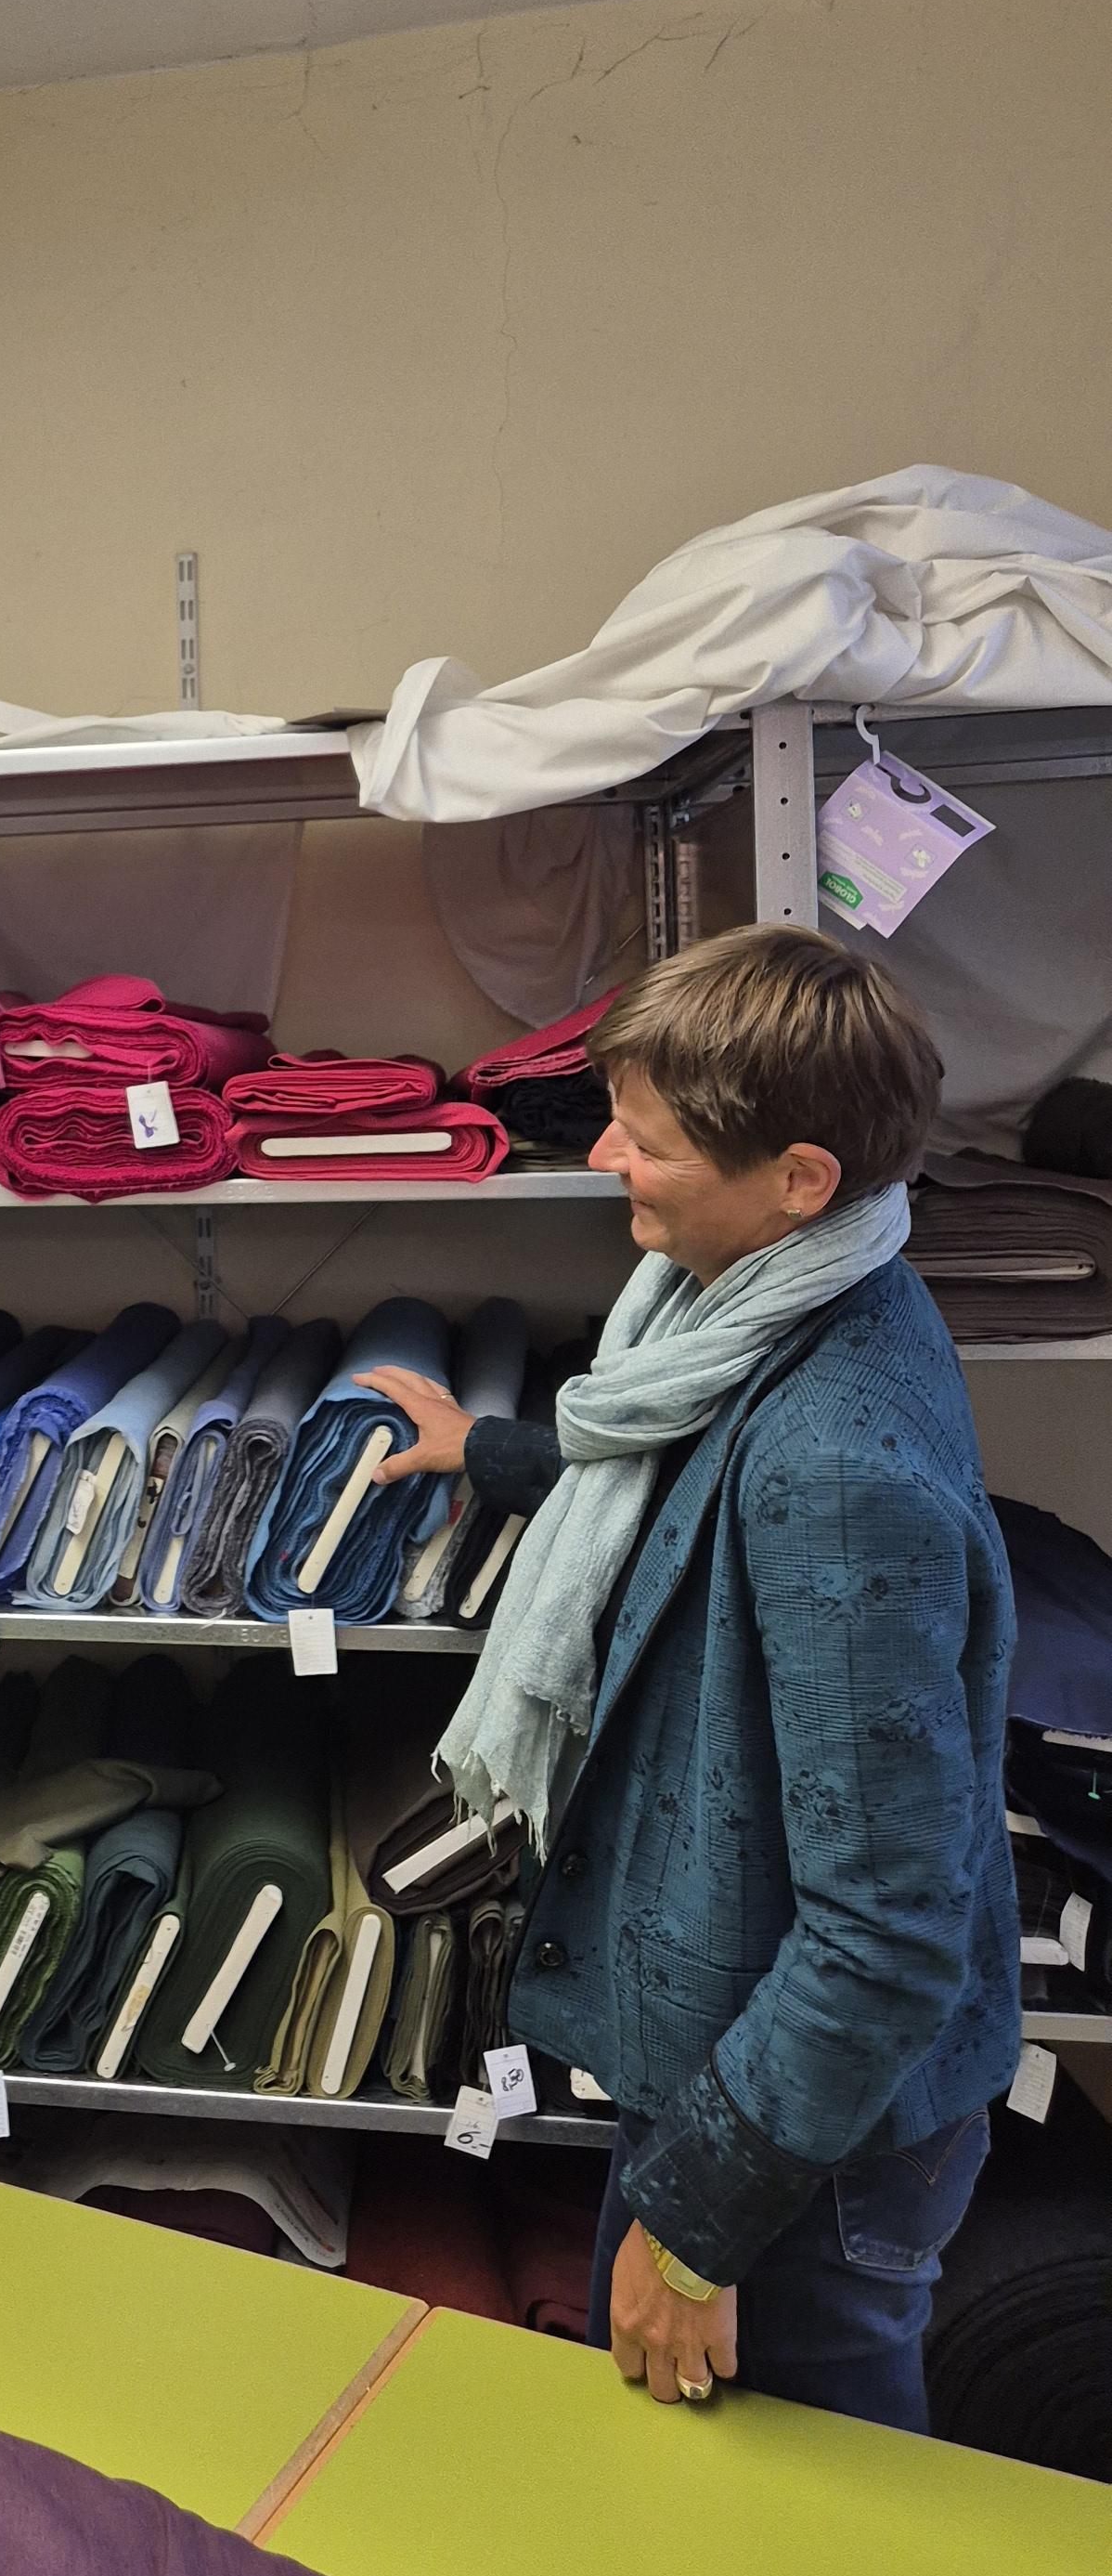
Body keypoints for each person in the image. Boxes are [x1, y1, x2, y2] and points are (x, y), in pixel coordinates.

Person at [359, 923, 1015, 2434]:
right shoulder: (781, 1304)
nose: (602, 1157)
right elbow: (676, 1480)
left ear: (797, 1178)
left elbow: (888, 1930)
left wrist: (697, 2221)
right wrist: (500, 1454)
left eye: (645, 1142)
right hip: (768, 2087)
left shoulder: (838, 1458)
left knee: (802, 2546)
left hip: (808, 2149)